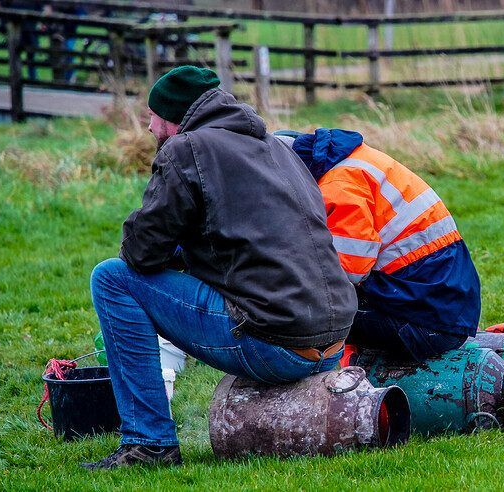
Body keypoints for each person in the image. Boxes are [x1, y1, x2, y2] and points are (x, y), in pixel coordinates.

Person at [85, 67, 357, 470]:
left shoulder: (185, 149)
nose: (147, 127)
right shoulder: (278, 148)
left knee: (111, 278)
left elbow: (141, 254)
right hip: (332, 341)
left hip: (275, 344)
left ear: (173, 118)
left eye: (152, 116)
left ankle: (149, 442)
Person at [275, 128, 481, 363]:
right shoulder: (353, 161)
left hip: (428, 323)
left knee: (303, 321)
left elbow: (342, 275)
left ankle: (324, 381)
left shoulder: (339, 186)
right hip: (445, 308)